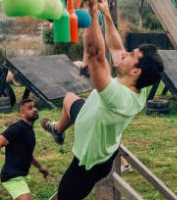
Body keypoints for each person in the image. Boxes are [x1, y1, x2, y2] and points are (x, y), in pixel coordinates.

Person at [40, 0, 164, 198]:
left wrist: (91, 11)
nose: (124, 53)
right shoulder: (137, 87)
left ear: (135, 70)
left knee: (65, 196)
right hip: (95, 121)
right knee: (70, 99)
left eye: (130, 54)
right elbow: (115, 47)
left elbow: (95, 54)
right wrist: (106, 14)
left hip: (89, 162)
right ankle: (58, 130)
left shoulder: (118, 97)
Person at [0, 99, 50, 200]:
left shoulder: (29, 130)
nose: (35, 109)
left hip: (20, 175)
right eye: (30, 108)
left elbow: (28, 154)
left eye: (34, 107)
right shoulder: (16, 128)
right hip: (11, 176)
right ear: (21, 114)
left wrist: (40, 167)